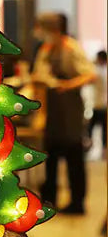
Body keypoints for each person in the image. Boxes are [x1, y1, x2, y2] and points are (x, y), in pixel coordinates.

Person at [32, 14, 96, 214]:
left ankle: (77, 203)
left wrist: (68, 85)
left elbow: (90, 74)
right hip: (52, 108)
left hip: (70, 107)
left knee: (74, 154)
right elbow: (38, 76)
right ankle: (49, 201)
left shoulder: (72, 47)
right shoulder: (45, 49)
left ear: (54, 30)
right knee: (50, 155)